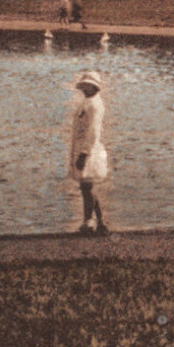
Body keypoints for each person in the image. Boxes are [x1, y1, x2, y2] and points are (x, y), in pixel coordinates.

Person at [68, 70, 110, 235]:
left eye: (87, 85)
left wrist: (84, 153)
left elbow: (93, 132)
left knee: (88, 187)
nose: (84, 88)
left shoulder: (94, 105)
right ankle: (99, 222)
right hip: (84, 148)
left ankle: (90, 221)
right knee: (87, 187)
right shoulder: (89, 102)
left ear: (93, 87)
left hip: (90, 150)